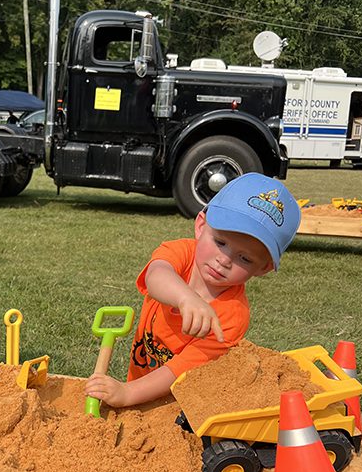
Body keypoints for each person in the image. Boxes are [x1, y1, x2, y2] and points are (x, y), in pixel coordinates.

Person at [85, 172, 301, 409]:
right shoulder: (182, 253)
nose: (224, 260)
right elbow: (155, 275)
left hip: (175, 407)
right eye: (220, 242)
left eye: (245, 258)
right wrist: (186, 298)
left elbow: (179, 371)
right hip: (137, 383)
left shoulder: (231, 317)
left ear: (263, 268)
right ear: (201, 225)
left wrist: (128, 393)